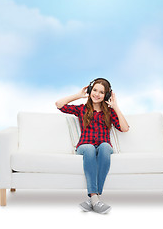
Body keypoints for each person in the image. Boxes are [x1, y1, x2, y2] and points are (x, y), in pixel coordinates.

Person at [55, 78, 129, 214]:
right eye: (94, 90)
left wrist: (116, 106)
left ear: (106, 95)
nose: (97, 94)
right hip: (84, 146)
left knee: (106, 147)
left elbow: (124, 128)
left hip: (103, 146)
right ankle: (96, 198)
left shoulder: (110, 112)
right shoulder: (82, 109)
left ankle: (93, 200)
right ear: (90, 91)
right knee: (89, 148)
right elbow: (59, 104)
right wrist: (78, 95)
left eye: (101, 92)